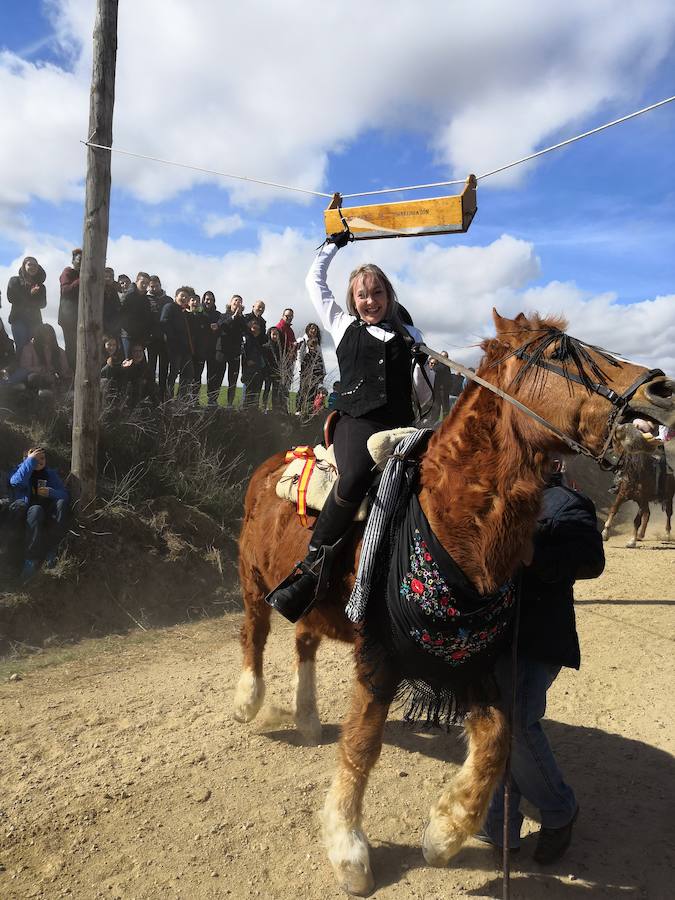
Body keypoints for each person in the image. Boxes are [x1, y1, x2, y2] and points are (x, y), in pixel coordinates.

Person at [267, 232, 432, 622]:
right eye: (363, 294)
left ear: (388, 296)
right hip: (355, 421)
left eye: (377, 293)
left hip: (400, 425)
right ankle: (313, 569)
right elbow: (314, 283)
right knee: (356, 474)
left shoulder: (412, 336)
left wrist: (425, 368)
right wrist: (332, 245)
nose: (370, 301)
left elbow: (422, 399)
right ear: (353, 300)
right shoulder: (341, 324)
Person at [479, 460, 605, 863]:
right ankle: (499, 824)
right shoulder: (494, 497)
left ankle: (558, 810)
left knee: (514, 719)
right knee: (494, 721)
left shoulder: (569, 503)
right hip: (493, 635)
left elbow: (591, 561)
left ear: (553, 461)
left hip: (539, 637)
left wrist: (532, 551)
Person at [8, 447, 70, 580]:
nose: (40, 461)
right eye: (36, 458)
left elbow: (65, 495)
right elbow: (16, 482)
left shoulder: (50, 474)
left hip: (48, 512)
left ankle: (52, 551)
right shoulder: (20, 471)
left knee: (61, 503)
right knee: (36, 509)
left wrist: (51, 492)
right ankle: (30, 560)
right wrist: (29, 462)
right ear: (27, 459)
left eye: (42, 458)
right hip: (28, 513)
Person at [14, 324, 71, 397]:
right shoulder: (29, 349)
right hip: (37, 380)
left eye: (50, 334)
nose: (48, 336)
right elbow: (24, 367)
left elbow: (65, 369)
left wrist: (63, 375)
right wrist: (41, 369)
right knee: (33, 377)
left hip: (55, 380)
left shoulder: (59, 351)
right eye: (45, 334)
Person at [6, 256, 47, 356]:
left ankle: (34, 370)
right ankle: (19, 370)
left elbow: (43, 304)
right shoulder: (14, 281)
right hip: (18, 319)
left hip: (35, 321)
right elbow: (11, 298)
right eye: (30, 264)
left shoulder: (41, 286)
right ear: (24, 266)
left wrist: (32, 297)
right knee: (22, 347)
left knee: (35, 347)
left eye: (35, 265)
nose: (32, 267)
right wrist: (30, 294)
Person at [161, 286, 195, 398]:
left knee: (188, 373)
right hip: (174, 348)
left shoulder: (185, 312)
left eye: (186, 297)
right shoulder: (169, 307)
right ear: (176, 296)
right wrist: (172, 339)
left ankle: (181, 398)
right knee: (173, 373)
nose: (184, 298)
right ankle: (168, 397)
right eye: (182, 296)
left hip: (185, 349)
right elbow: (164, 322)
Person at [217, 295, 247, 407]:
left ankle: (230, 403)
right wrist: (233, 317)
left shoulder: (242, 319)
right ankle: (214, 402)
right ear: (230, 303)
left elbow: (245, 331)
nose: (237, 303)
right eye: (236, 301)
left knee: (233, 379)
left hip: (235, 352)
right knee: (218, 376)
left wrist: (239, 317)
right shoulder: (223, 315)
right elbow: (221, 326)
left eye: (240, 302)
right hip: (222, 350)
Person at [145, 275, 171, 399]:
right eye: (152, 286)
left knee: (164, 368)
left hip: (164, 339)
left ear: (160, 285)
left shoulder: (168, 300)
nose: (154, 288)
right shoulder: (146, 299)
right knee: (151, 367)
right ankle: (150, 393)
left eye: (156, 286)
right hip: (151, 339)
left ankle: (162, 394)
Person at [58, 248, 81, 371]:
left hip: (81, 319)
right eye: (79, 259)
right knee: (72, 348)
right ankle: (70, 375)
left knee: (81, 348)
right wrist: (82, 278)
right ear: (73, 260)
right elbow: (65, 291)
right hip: (69, 318)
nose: (82, 262)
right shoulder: (68, 272)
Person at [120, 271, 153, 358]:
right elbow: (120, 314)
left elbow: (147, 319)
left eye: (147, 283)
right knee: (128, 361)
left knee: (139, 364)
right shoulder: (128, 295)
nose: (144, 285)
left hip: (140, 337)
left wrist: (146, 336)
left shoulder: (146, 300)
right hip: (127, 335)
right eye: (142, 282)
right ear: (137, 281)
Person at [186, 293, 210, 402]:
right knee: (186, 376)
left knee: (197, 377)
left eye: (197, 301)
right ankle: (184, 400)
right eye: (192, 300)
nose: (195, 303)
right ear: (188, 302)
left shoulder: (204, 318)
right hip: (186, 352)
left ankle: (195, 400)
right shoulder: (184, 316)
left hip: (200, 353)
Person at [201, 291, 223, 405]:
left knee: (212, 375)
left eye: (210, 299)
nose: (208, 301)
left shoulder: (218, 315)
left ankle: (212, 399)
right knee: (196, 374)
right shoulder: (199, 313)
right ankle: (194, 399)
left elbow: (222, 324)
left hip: (213, 349)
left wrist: (218, 325)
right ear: (203, 300)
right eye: (206, 299)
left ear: (214, 301)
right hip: (199, 348)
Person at [241, 319, 268, 409]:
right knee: (247, 394)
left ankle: (253, 412)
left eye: (257, 328)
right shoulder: (247, 339)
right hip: (249, 370)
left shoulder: (261, 340)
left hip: (258, 370)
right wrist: (247, 360)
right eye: (253, 327)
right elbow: (244, 352)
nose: (255, 329)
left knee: (256, 394)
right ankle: (244, 412)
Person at [275, 308, 297, 412]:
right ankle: (280, 408)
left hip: (289, 361)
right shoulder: (280, 327)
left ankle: (284, 408)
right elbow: (278, 345)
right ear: (283, 315)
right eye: (287, 316)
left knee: (286, 386)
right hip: (282, 362)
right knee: (281, 386)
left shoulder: (290, 330)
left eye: (291, 316)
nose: (289, 318)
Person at [298, 336, 326, 418]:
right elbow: (303, 368)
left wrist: (320, 378)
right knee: (303, 395)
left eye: (315, 346)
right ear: (309, 346)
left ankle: (310, 411)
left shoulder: (318, 357)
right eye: (311, 346)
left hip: (315, 381)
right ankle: (300, 410)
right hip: (307, 380)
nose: (313, 348)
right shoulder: (307, 356)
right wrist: (304, 378)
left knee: (312, 396)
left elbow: (320, 369)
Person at [262, 325, 284, 412]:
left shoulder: (280, 348)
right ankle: (264, 407)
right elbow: (265, 360)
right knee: (267, 389)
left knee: (275, 391)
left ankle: (274, 408)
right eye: (273, 334)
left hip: (277, 372)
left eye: (276, 335)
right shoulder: (265, 346)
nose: (275, 336)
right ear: (269, 335)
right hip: (268, 371)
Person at [102, 267, 122, 343]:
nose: (108, 279)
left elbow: (117, 308)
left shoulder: (114, 291)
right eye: (106, 276)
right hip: (101, 325)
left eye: (110, 277)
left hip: (113, 326)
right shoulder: (98, 290)